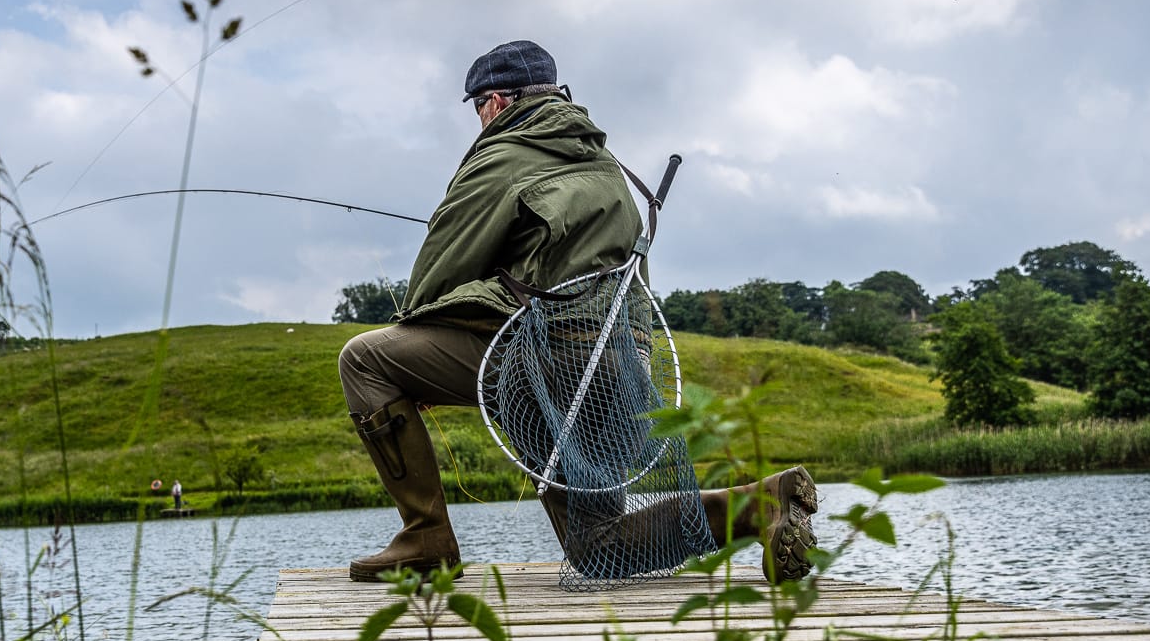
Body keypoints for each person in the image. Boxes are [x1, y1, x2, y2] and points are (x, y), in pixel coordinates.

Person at [337, 40, 817, 583]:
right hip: (622, 370)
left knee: (366, 360)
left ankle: (425, 537)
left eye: (476, 109)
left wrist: (415, 369)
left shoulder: (500, 154)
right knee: (598, 548)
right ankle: (759, 505)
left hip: (547, 358)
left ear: (495, 102)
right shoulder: (605, 162)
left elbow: (435, 280)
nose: (478, 121)